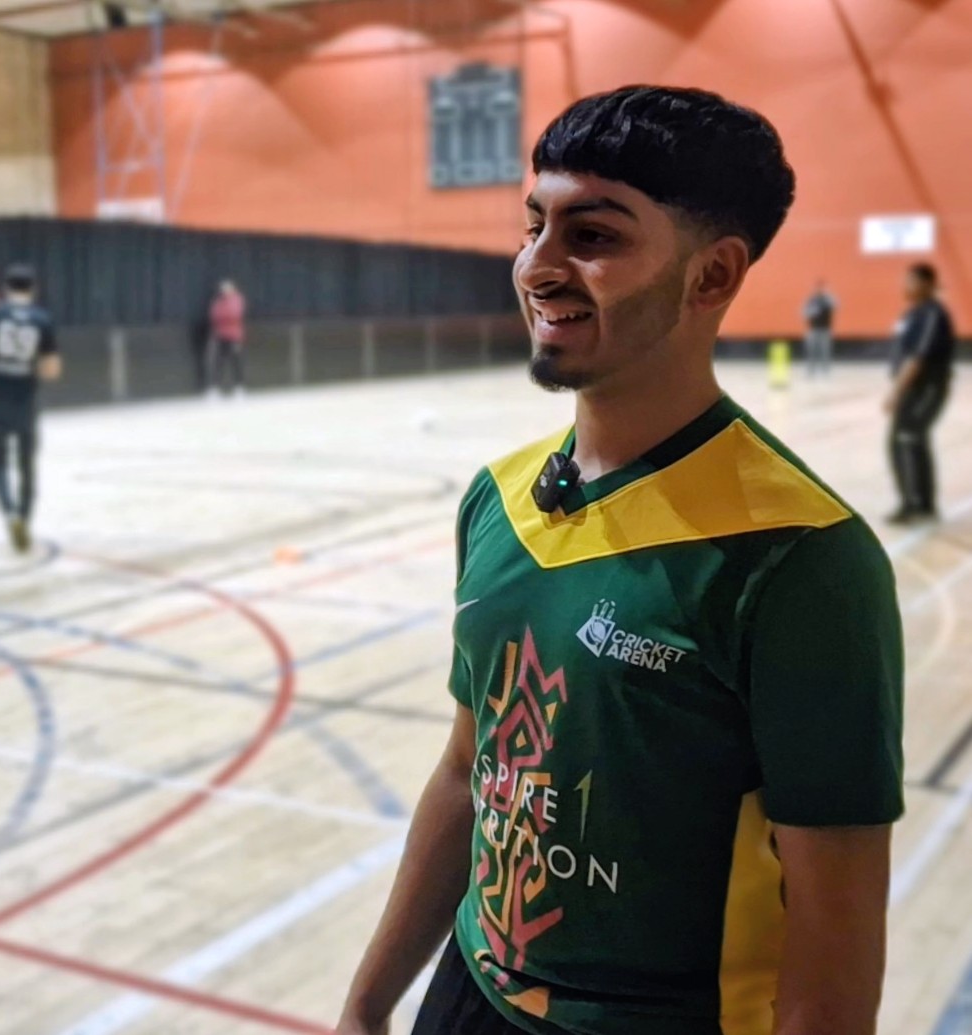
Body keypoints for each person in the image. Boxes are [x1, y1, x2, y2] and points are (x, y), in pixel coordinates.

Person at [338, 86, 902, 1035]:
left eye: (591, 237)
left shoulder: (799, 557)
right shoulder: (500, 499)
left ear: (711, 276)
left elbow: (835, 935)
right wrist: (367, 998)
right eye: (532, 226)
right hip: (471, 995)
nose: (537, 266)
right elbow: (468, 769)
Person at [0, 264, 62, 553]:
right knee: (27, 465)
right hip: (27, 401)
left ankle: (8, 513)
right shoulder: (43, 320)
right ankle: (25, 518)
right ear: (33, 289)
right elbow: (52, 370)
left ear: (6, 288)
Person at [885, 262, 955, 524]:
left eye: (911, 281)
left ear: (927, 283)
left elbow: (918, 358)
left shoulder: (932, 314)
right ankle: (922, 503)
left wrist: (896, 392)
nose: (906, 286)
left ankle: (915, 505)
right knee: (908, 440)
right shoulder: (912, 314)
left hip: (927, 389)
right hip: (911, 391)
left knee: (907, 438)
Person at [206, 280, 247, 398]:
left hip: (234, 336)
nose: (225, 291)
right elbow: (214, 315)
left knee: (236, 362)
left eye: (228, 289)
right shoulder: (218, 301)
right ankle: (214, 389)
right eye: (223, 289)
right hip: (220, 336)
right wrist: (223, 317)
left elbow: (234, 314)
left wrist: (224, 316)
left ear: (233, 289)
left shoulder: (237, 299)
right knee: (218, 362)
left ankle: (240, 387)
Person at [802, 278, 836, 378]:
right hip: (813, 329)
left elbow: (836, 305)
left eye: (822, 287)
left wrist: (828, 296)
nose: (820, 289)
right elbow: (804, 312)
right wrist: (812, 312)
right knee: (811, 350)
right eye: (818, 287)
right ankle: (811, 371)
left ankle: (825, 372)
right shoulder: (812, 299)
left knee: (825, 351)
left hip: (825, 329)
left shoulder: (829, 299)